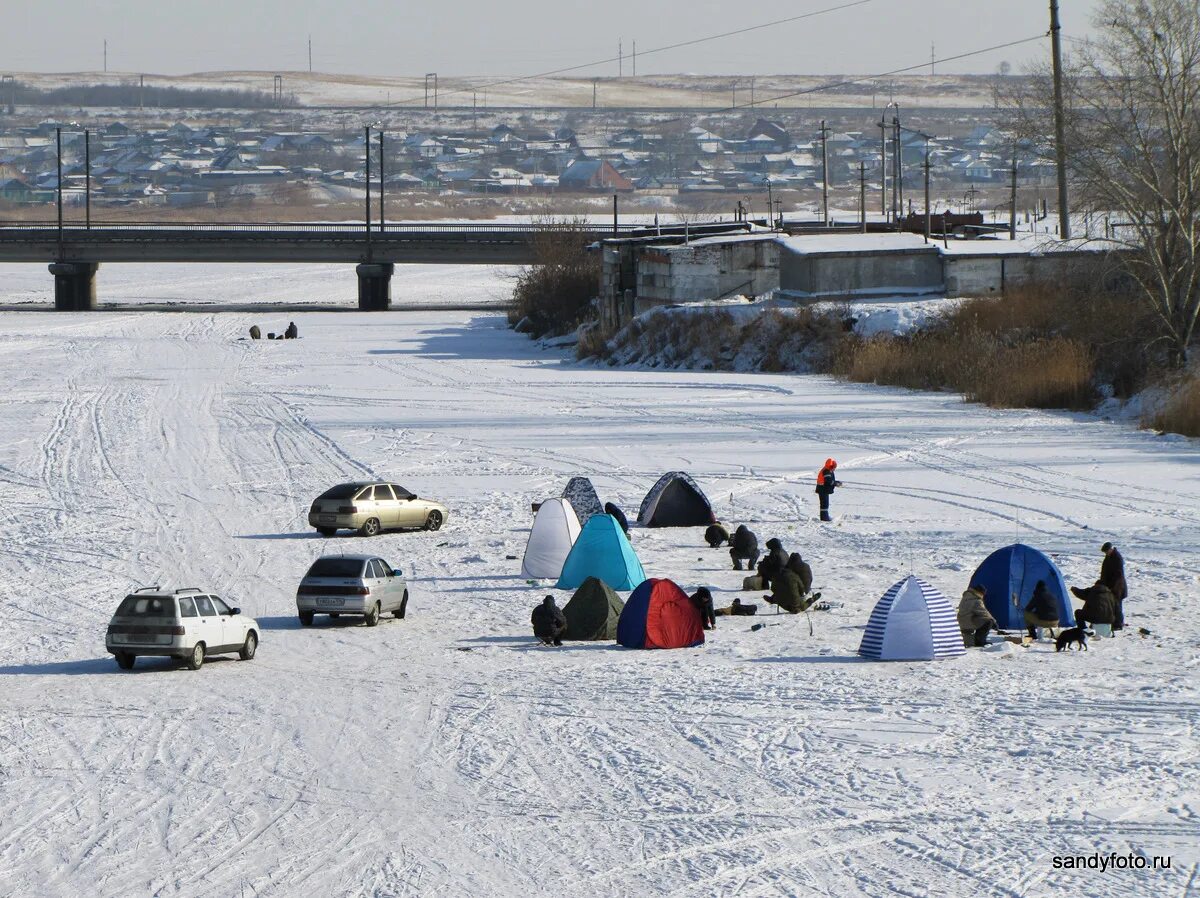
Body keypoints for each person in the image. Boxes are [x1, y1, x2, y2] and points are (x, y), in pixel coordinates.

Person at [957, 583, 996, 648]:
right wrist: (994, 622)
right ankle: (980, 641)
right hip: (968, 622)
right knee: (989, 621)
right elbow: (984, 613)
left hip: (961, 622)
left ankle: (974, 639)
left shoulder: (966, 597)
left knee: (981, 619)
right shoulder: (976, 600)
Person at [1100, 542, 1128, 630]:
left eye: (1107, 551)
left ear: (1111, 549)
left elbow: (1118, 575)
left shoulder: (1117, 558)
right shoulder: (1109, 557)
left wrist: (1114, 587)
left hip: (1117, 587)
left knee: (1117, 605)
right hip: (1110, 585)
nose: (1106, 553)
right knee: (1112, 605)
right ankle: (1114, 622)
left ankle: (1119, 624)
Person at [815, 458, 842, 523]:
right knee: (824, 504)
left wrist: (836, 482)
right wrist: (836, 483)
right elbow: (828, 481)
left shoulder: (827, 470)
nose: (834, 469)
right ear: (831, 466)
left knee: (825, 504)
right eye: (834, 467)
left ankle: (825, 517)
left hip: (823, 489)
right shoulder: (826, 471)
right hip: (822, 489)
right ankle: (824, 518)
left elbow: (829, 480)